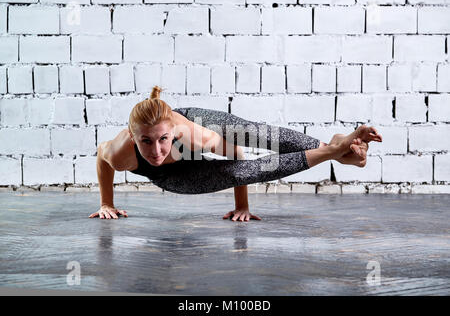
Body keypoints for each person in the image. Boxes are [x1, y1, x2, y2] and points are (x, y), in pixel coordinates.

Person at [89, 86, 382, 222]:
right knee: (244, 172)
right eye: (146, 142)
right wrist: (106, 202)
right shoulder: (122, 153)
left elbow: (238, 157)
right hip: (171, 175)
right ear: (132, 137)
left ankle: (336, 148)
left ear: (174, 133)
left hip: (196, 125)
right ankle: (335, 150)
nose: (156, 150)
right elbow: (103, 157)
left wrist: (241, 204)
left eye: (163, 140)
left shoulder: (196, 135)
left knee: (253, 133)